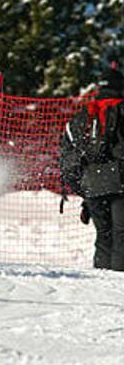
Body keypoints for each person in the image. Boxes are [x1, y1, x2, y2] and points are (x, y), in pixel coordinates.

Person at [60, 67, 124, 271]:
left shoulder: (82, 117)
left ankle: (101, 282)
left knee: (103, 235)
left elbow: (69, 156)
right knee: (121, 235)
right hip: (121, 182)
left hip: (93, 184)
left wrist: (80, 188)